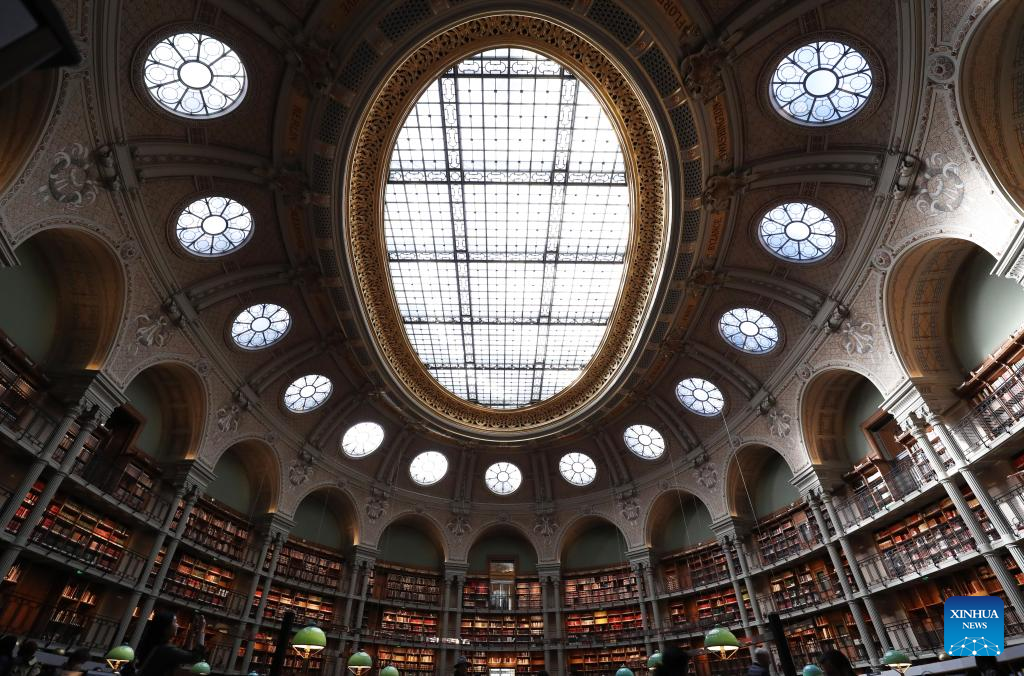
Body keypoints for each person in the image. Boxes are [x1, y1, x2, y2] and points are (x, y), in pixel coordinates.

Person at [135, 611, 205, 676]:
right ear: (166, 628)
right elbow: (196, 658)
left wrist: (191, 633)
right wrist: (201, 631)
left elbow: (186, 654)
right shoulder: (166, 650)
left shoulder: (157, 646)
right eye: (175, 622)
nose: (177, 625)